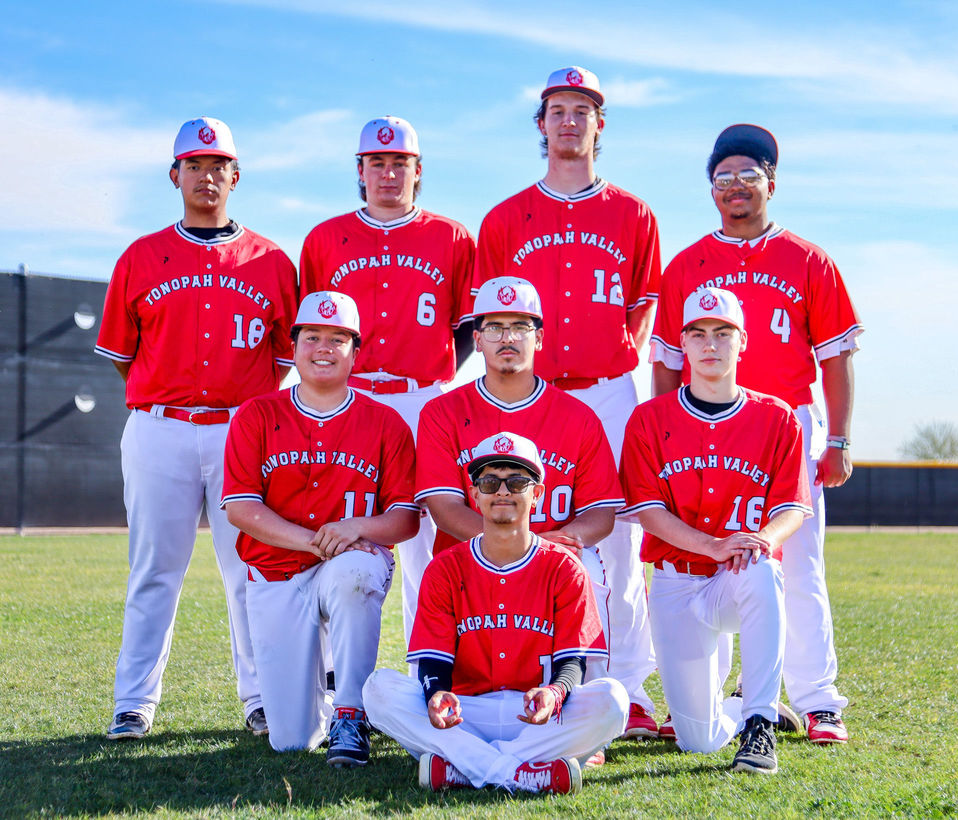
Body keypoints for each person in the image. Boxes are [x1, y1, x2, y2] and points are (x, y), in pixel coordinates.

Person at [650, 124, 862, 743]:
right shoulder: (687, 264)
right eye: (723, 177)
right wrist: (665, 438)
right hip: (700, 428)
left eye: (748, 175)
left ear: (771, 182)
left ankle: (818, 698)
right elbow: (665, 359)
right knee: (700, 563)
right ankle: (705, 701)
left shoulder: (807, 258)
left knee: (796, 564)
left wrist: (840, 439)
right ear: (710, 188)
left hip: (786, 423)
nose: (736, 187)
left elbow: (836, 357)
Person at [94, 117, 298, 740]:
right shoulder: (141, 255)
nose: (206, 176)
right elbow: (123, 356)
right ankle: (134, 704)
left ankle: (262, 697)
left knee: (249, 570)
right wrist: (163, 402)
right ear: (175, 174)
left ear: (235, 177)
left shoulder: (271, 260)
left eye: (218, 167)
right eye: (194, 165)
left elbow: (283, 361)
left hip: (243, 430)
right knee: (155, 568)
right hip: (160, 426)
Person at [473, 66, 661, 736]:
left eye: (584, 109)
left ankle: (631, 689)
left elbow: (643, 309)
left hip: (610, 391)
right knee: (540, 540)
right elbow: (490, 320)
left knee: (624, 548)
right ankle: (546, 678)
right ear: (542, 124)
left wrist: (612, 364)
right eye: (559, 109)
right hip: (536, 397)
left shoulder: (635, 213)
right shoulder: (503, 218)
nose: (571, 121)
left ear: (599, 124)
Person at [364, 432, 628, 794]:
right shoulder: (445, 568)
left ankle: (464, 767)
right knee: (378, 690)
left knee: (613, 699)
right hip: (465, 713)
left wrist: (554, 692)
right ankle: (520, 771)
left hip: (536, 714)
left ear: (537, 494)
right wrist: (437, 695)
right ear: (475, 495)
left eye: (517, 481)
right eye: (490, 482)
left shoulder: (565, 568)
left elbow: (573, 662)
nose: (502, 491)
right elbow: (434, 662)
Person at [221, 291, 419, 766]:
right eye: (312, 337)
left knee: (356, 574)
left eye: (338, 339)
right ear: (293, 347)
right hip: (276, 570)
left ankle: (350, 711)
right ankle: (331, 703)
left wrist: (356, 528)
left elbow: (406, 519)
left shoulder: (386, 423)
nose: (324, 348)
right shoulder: (257, 414)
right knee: (291, 739)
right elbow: (241, 509)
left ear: (357, 351)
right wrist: (316, 541)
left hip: (350, 564)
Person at [299, 115, 475, 645]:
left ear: (418, 171)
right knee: (340, 531)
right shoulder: (326, 238)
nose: (389, 174)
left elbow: (465, 326)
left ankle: (430, 664)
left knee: (429, 540)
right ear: (360, 170)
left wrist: (434, 372)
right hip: (346, 402)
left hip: (422, 398)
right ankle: (332, 676)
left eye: (400, 162)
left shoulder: (451, 236)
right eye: (377, 163)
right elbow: (311, 331)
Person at [620, 288, 812, 773]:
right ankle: (737, 707)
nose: (711, 344)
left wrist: (763, 540)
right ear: (682, 344)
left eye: (723, 333)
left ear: (742, 341)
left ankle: (760, 723)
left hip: (737, 576)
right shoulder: (648, 418)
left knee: (764, 572)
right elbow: (647, 510)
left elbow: (792, 507)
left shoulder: (777, 418)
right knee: (698, 741)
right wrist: (713, 544)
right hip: (676, 582)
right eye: (698, 334)